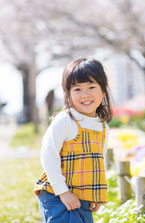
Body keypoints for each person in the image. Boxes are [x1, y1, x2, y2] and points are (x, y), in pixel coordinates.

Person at [34, 58, 113, 223]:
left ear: (103, 91)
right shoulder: (66, 120)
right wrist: (63, 192)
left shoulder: (103, 126)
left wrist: (96, 194)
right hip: (56, 194)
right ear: (68, 94)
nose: (85, 94)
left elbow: (99, 161)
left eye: (92, 87)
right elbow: (49, 156)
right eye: (77, 89)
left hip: (82, 197)